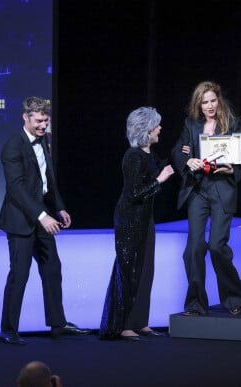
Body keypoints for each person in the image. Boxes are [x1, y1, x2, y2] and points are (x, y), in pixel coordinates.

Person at [0, 96, 90, 345]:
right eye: (38, 121)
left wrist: (59, 208)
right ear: (25, 117)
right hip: (21, 221)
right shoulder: (12, 146)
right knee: (19, 274)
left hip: (44, 216)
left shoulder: (44, 141)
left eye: (45, 121)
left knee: (52, 269)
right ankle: (8, 329)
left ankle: (58, 324)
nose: (43, 126)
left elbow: (47, 179)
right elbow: (16, 189)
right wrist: (42, 216)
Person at [171, 81, 241, 316]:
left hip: (222, 188)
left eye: (213, 101)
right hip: (198, 189)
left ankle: (232, 297)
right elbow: (179, 150)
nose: (209, 106)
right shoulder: (191, 124)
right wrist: (187, 161)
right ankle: (196, 303)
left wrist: (233, 170)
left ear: (219, 100)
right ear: (198, 104)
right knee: (194, 247)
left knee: (217, 246)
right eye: (204, 102)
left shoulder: (232, 123)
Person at [99, 107, 174, 341]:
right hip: (130, 218)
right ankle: (123, 324)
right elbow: (133, 193)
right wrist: (160, 180)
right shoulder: (133, 155)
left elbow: (163, 164)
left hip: (145, 218)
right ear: (146, 129)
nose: (160, 128)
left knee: (145, 270)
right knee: (129, 270)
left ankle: (140, 321)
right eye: (156, 125)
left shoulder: (148, 152)